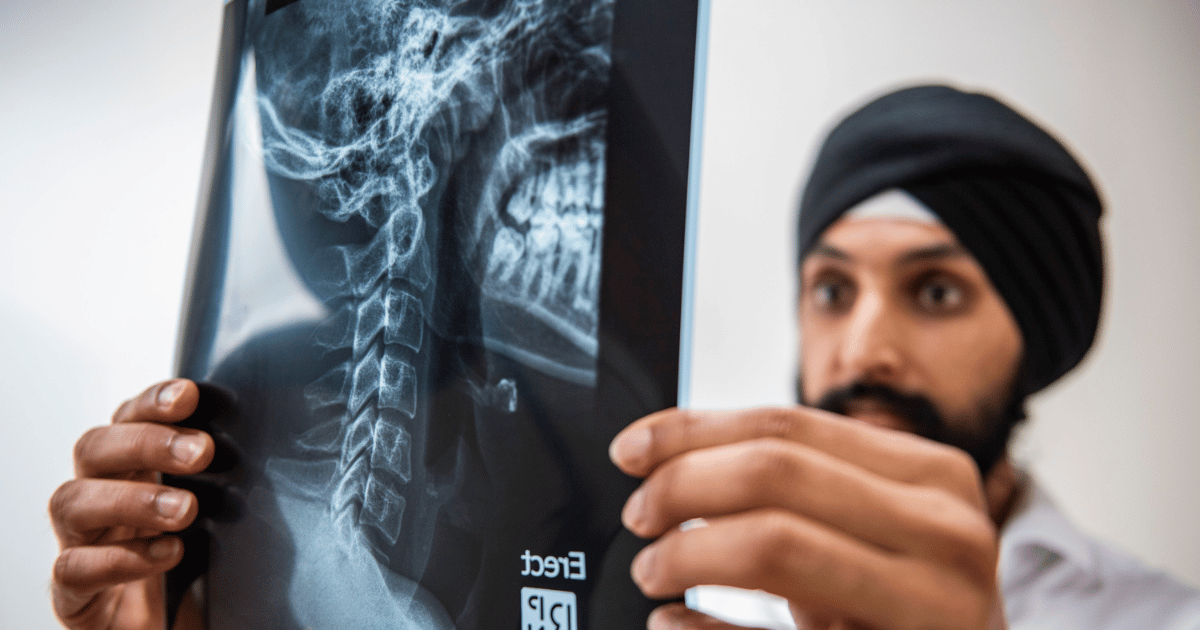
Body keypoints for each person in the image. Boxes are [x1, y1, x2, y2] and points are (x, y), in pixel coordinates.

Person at [48, 84, 1200, 630]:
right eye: (830, 287)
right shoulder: (677, 587)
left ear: (1040, 332)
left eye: (937, 290)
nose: (865, 348)